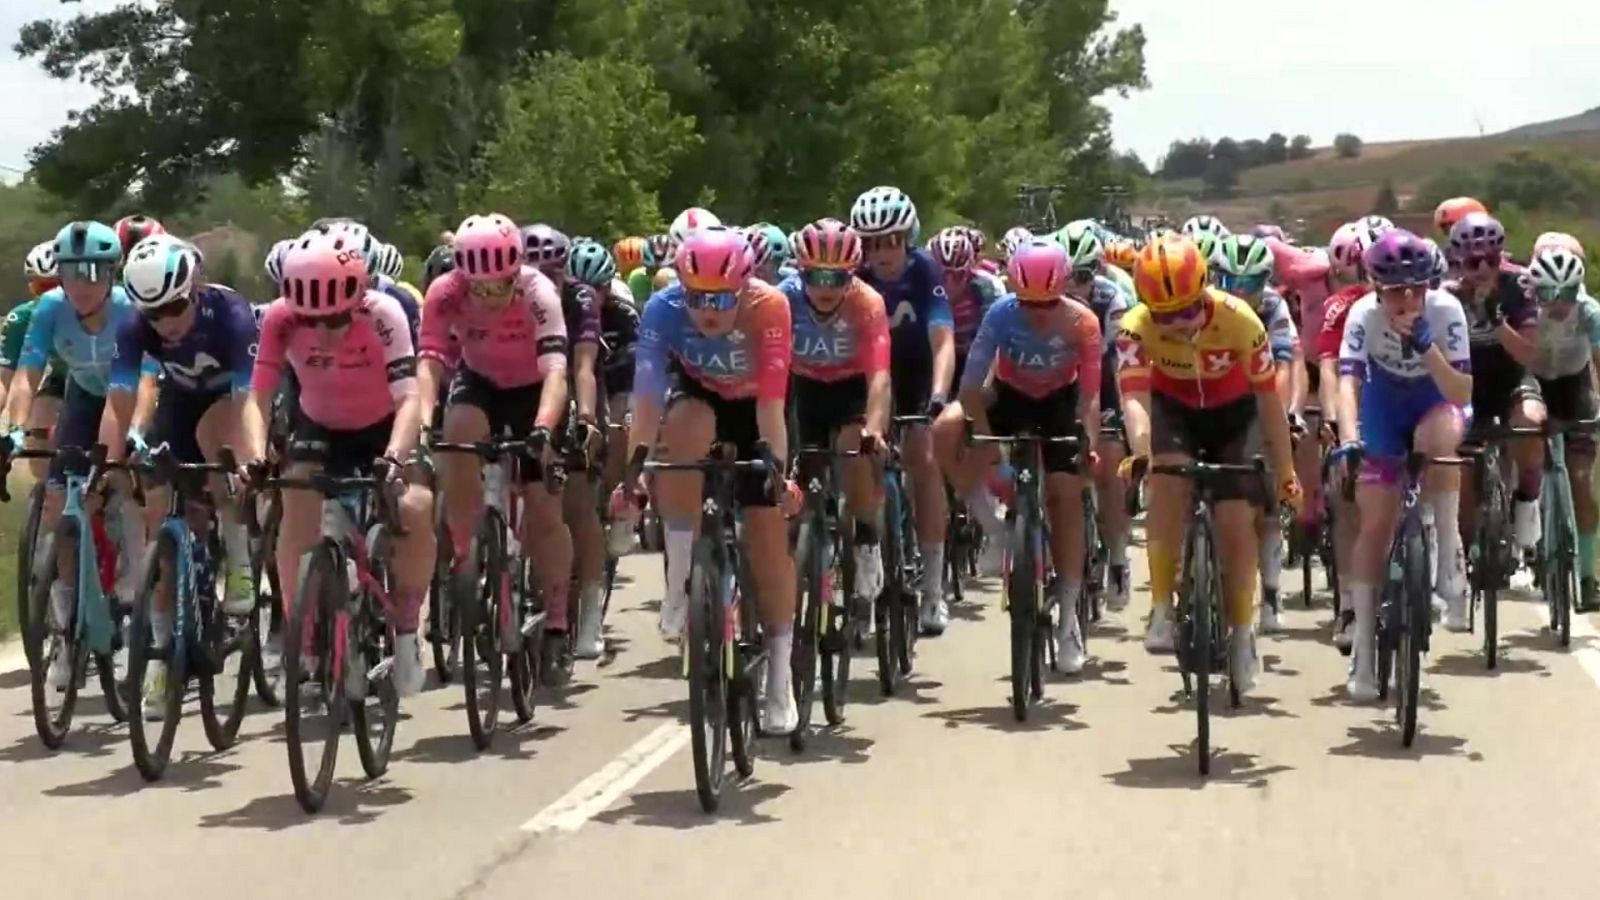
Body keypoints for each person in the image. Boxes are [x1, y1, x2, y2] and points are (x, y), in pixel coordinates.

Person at [616, 226, 800, 733]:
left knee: (766, 541)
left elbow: (771, 407)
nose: (709, 309)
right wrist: (632, 473)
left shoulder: (770, 307)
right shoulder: (662, 309)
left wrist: (776, 476)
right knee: (676, 438)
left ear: (744, 284)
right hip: (701, 400)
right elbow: (648, 396)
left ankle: (781, 679)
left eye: (721, 296)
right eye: (697, 296)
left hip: (759, 411)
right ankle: (680, 582)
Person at [242, 228, 436, 698]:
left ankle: (408, 630)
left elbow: (410, 399)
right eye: (313, 320)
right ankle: (303, 634)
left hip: (383, 424)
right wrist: (253, 456)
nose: (325, 332)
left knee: (412, 507)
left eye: (335, 319)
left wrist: (394, 457)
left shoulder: (384, 313)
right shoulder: (280, 319)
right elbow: (257, 397)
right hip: (319, 425)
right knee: (293, 507)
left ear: (357, 296)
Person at [1115, 235, 1300, 697]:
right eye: (1165, 316)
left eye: (1189, 311)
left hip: (1235, 417)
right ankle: (1160, 606)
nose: (1178, 324)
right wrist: (1141, 453)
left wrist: (1287, 472)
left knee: (1237, 520)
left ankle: (1241, 633)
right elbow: (1135, 399)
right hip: (1173, 411)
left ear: (1205, 290)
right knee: (1167, 479)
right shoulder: (1133, 327)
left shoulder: (1241, 321)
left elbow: (1270, 405)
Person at [105, 233, 259, 719]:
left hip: (234, 398)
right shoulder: (135, 327)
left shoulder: (231, 316)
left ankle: (236, 554)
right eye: (153, 314)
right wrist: (116, 455)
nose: (165, 323)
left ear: (195, 289)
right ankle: (158, 654)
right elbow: (122, 393)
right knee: (157, 511)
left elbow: (248, 400)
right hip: (181, 398)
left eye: (173, 308)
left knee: (219, 452)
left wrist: (248, 461)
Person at [932, 238, 1102, 673]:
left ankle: (1068, 619)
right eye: (1028, 303)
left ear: (1063, 291)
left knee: (1065, 493)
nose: (1038, 313)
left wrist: (1088, 444)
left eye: (1048, 304)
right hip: (1010, 396)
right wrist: (991, 451)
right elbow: (970, 389)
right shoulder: (1001, 313)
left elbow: (1089, 399)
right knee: (947, 428)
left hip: (1061, 403)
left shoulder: (1083, 322)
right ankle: (993, 527)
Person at [1334, 229, 1471, 700]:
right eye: (1395, 289)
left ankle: (1450, 555)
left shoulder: (1446, 310)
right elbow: (1348, 383)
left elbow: (1461, 393)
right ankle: (1365, 655)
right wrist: (1349, 437)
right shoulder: (1362, 315)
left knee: (1440, 440)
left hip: (1436, 400)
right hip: (1383, 405)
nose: (1408, 297)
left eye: (1417, 287)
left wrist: (1427, 348)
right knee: (1376, 519)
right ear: (1376, 287)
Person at [10, 221, 144, 691]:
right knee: (57, 501)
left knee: (123, 476)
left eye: (92, 273)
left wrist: (124, 446)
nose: (80, 285)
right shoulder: (50, 307)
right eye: (70, 273)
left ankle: (133, 585)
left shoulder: (131, 309)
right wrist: (10, 430)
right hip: (84, 396)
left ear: (113, 273)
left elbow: (136, 388)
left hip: (130, 395)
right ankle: (65, 630)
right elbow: (28, 373)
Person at [850, 185, 955, 634]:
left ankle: (933, 587)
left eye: (893, 239)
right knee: (857, 462)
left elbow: (943, 338)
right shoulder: (851, 273)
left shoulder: (924, 268)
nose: (884, 251)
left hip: (914, 371)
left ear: (907, 237)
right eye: (874, 242)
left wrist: (937, 396)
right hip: (865, 373)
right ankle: (862, 570)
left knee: (923, 459)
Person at [781, 218, 891, 644]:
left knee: (854, 449)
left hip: (853, 391)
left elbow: (880, 376)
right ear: (800, 271)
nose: (825, 287)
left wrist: (875, 430)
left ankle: (866, 544)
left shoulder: (868, 303)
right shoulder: (785, 299)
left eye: (837, 277)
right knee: (801, 477)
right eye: (815, 276)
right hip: (805, 390)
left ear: (852, 275)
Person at [1442, 211, 1540, 623]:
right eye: (1472, 262)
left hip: (1511, 379)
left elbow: (1530, 354)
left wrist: (1497, 319)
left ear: (1502, 258)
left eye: (1491, 260)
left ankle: (1526, 508)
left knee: (1531, 423)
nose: (1482, 269)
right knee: (1461, 474)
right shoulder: (1443, 295)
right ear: (1457, 261)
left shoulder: (1518, 287)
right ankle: (1462, 566)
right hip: (1467, 385)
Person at [1212, 233, 1306, 631]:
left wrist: (1282, 415)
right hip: (1210, 398)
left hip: (1257, 397)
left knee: (1266, 497)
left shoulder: (1273, 307)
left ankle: (1269, 589)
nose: (1239, 291)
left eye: (1249, 283)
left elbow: (1284, 366)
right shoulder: (1205, 306)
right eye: (1229, 281)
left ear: (1264, 282)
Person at [525, 225, 601, 670]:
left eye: (551, 274)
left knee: (574, 501)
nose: (542, 283)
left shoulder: (580, 298)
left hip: (572, 385)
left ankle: (588, 610)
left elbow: (584, 366)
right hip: (521, 392)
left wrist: (587, 419)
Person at [1518, 247, 1600, 607]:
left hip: (1573, 384)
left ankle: (1587, 577)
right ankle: (1523, 524)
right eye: (1551, 293)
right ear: (1536, 290)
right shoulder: (1523, 306)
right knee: (1524, 452)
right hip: (1533, 381)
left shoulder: (1589, 311)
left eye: (1568, 292)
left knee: (1582, 481)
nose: (1560, 302)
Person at [1058, 221, 1133, 608]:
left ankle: (1118, 557)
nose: (1071, 286)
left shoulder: (1112, 300)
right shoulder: (1043, 297)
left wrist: (1119, 419)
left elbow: (1119, 365)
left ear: (1098, 273)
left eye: (1081, 276)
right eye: (1064, 276)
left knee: (1109, 469)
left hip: (1103, 377)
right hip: (1059, 379)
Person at [0, 241, 70, 480]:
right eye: (41, 286)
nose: (49, 296)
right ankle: (48, 491)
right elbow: (4, 380)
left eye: (55, 287)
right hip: (62, 378)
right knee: (36, 434)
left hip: (110, 379)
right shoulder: (23, 318)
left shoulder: (99, 311)